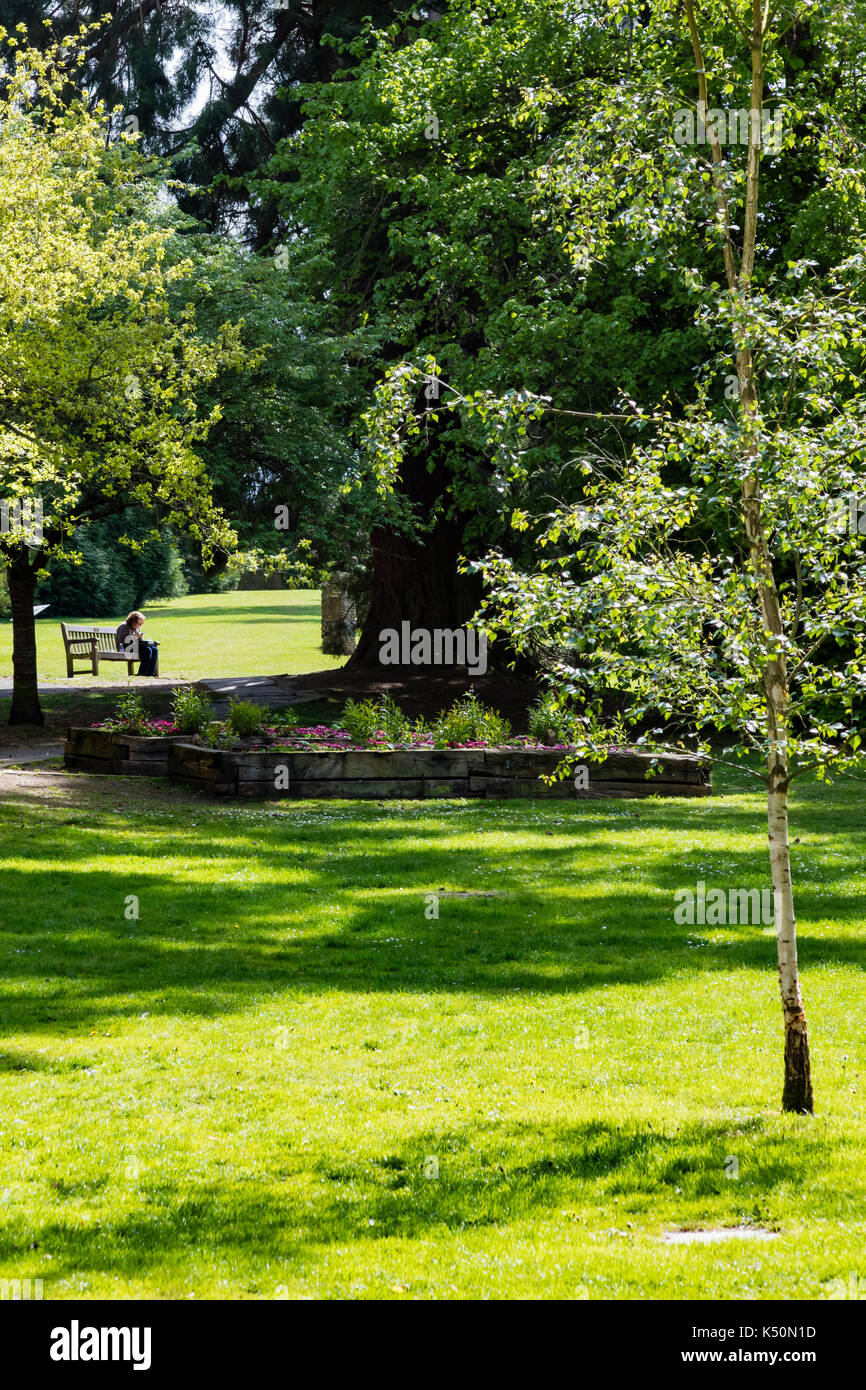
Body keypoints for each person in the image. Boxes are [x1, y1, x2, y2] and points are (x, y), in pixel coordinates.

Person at [115, 610, 159, 677]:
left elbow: (138, 640)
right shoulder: (124, 626)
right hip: (125, 648)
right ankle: (142, 673)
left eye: (141, 624)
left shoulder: (137, 628)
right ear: (133, 621)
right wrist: (134, 637)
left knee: (154, 649)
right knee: (147, 650)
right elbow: (122, 640)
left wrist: (140, 638)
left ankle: (150, 673)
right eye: (139, 624)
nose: (140, 626)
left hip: (134, 646)